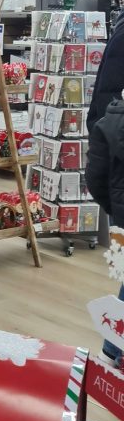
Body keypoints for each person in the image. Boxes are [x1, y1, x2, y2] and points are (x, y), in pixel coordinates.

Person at [87, 86, 124, 367]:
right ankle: (111, 351)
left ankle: (110, 352)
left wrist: (113, 208)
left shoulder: (107, 121)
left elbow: (95, 179)